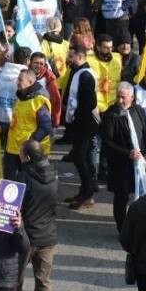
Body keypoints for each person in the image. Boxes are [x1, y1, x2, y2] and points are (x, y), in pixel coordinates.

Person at [100, 82, 146, 232]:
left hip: (141, 161)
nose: (120, 101)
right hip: (121, 164)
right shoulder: (111, 114)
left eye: (123, 97)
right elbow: (107, 142)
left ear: (132, 97)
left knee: (142, 194)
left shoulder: (138, 110)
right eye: (118, 97)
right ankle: (122, 228)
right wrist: (127, 153)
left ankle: (140, 225)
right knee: (121, 197)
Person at [16, 140, 59, 291]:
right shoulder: (54, 173)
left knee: (14, 281)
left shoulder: (23, 176)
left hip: (26, 237)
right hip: (48, 237)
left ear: (27, 157)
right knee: (43, 282)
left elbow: (14, 207)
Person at [63, 45, 99, 210]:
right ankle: (84, 191)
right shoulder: (78, 71)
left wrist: (76, 115)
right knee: (79, 158)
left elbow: (90, 102)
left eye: (70, 56)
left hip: (84, 124)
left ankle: (88, 193)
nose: (68, 59)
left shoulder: (85, 75)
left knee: (80, 158)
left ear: (79, 56)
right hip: (79, 123)